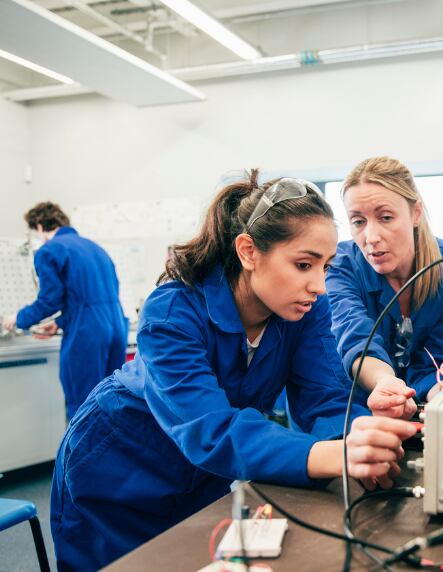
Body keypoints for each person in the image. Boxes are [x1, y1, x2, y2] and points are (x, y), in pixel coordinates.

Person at [49, 171, 417, 571]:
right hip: (118, 465)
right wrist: (328, 454)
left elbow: (324, 399)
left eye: (325, 266)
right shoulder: (171, 311)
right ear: (248, 251)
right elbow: (210, 428)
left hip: (200, 474)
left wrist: (359, 435)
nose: (319, 285)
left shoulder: (306, 310)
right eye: (303, 264)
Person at [326, 157, 443, 418]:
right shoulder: (341, 266)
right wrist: (385, 384)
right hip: (356, 409)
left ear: (415, 213)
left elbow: (442, 358)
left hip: (425, 406)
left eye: (385, 217)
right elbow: (355, 338)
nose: (371, 237)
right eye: (358, 222)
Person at [2, 202, 128, 420]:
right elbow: (93, 299)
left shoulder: (49, 250)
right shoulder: (96, 248)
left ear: (40, 226)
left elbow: (50, 301)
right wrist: (59, 323)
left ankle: (80, 455)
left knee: (83, 407)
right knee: (109, 402)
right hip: (117, 328)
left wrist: (18, 318)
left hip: (87, 333)